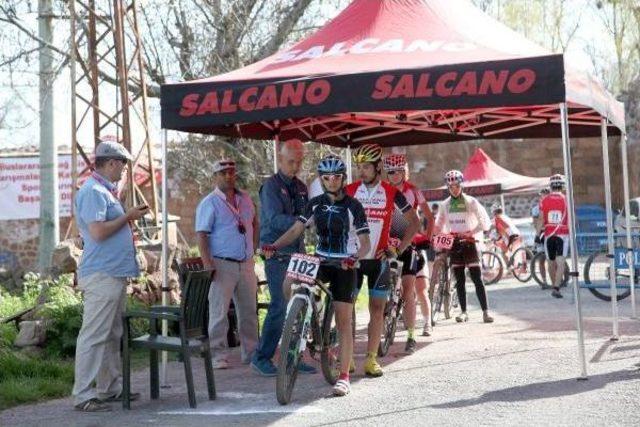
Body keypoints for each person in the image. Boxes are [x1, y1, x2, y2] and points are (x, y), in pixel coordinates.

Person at [262, 156, 371, 396]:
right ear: (321, 180)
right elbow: (295, 230)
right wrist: (275, 246)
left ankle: (343, 377)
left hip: (344, 263)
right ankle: (301, 317)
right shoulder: (314, 204)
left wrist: (355, 257)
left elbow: (365, 243)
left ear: (343, 178)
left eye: (336, 177)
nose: (332, 181)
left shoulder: (354, 206)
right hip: (320, 259)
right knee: (290, 280)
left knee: (344, 322)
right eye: (326, 178)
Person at [72, 141, 148, 412]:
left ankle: (109, 389)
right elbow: (99, 232)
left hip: (112, 274)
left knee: (110, 333)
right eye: (124, 165)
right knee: (94, 335)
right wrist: (128, 216)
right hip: (102, 274)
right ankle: (83, 394)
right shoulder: (94, 191)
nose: (125, 170)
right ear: (112, 163)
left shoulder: (104, 191)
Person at [345, 144, 420, 376]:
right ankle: (347, 358)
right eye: (359, 167)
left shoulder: (390, 192)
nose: (361, 171)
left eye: (366, 166)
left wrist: (396, 251)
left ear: (378, 167)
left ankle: (371, 358)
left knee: (377, 309)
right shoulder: (349, 190)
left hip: (379, 260)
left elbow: (414, 222)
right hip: (353, 260)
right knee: (346, 310)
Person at [251, 139, 315, 376]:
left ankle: (293, 357)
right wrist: (301, 222)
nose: (295, 166)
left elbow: (307, 215)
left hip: (298, 252)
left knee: (302, 305)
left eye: (299, 162)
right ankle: (261, 356)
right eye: (291, 162)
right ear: (280, 159)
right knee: (279, 304)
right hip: (276, 253)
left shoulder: (301, 187)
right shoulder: (270, 186)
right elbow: (274, 219)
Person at [195, 159, 259, 369]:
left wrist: (254, 248)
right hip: (222, 264)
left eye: (231, 172)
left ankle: (251, 353)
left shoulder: (246, 199)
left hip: (246, 263)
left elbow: (254, 223)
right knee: (219, 311)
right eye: (223, 173)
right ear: (215, 177)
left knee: (249, 311)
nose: (228, 176)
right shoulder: (209, 202)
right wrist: (208, 264)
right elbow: (202, 235)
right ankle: (218, 355)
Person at [383, 154, 434, 353]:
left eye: (397, 171)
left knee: (408, 291)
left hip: (407, 244)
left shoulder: (413, 191)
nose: (394, 175)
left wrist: (427, 238)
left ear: (404, 172)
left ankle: (411, 335)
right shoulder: (383, 190)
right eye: (390, 172)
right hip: (386, 245)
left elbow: (428, 216)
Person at [434, 170, 494, 323]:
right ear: (447, 186)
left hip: (470, 243)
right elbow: (438, 225)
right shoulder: (445, 205)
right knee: (459, 280)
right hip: (454, 243)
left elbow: (484, 222)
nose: (454, 188)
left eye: (456, 185)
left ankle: (485, 312)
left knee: (477, 279)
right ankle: (463, 312)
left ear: (461, 184)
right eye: (451, 185)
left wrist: (471, 232)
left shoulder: (471, 201)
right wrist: (435, 236)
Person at [536, 174, 569, 298]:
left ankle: (554, 285)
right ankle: (556, 287)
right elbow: (571, 219)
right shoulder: (567, 200)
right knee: (560, 262)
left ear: (551, 186)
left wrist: (537, 234)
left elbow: (540, 219)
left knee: (550, 262)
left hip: (549, 234)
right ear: (562, 186)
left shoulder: (544, 200)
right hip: (563, 234)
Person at [416, 203, 438, 336]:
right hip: (399, 253)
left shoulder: (429, 219)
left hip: (420, 251)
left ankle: (427, 323)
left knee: (422, 290)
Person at [532, 188, 550, 283]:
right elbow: (536, 223)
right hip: (542, 233)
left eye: (545, 195)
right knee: (542, 259)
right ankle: (544, 281)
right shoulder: (536, 209)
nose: (543, 197)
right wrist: (537, 235)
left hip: (551, 232)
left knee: (554, 258)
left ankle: (560, 279)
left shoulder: (552, 205)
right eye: (542, 195)